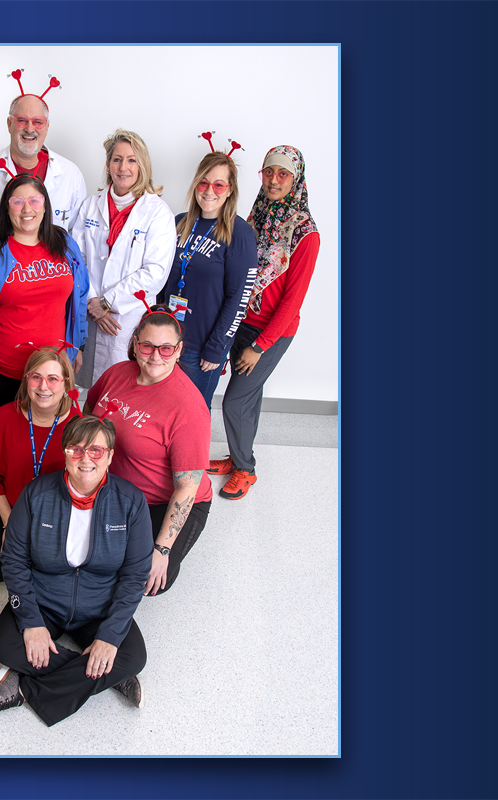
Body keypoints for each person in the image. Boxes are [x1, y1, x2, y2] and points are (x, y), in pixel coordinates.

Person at [0, 416, 151, 726]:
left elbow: (135, 575)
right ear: (65, 452)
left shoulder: (131, 501)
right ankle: (106, 675)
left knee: (132, 657)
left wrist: (108, 637)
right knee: (4, 646)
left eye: (97, 451)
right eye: (77, 449)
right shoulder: (36, 494)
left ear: (110, 455)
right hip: (44, 601)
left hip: (99, 606)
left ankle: (20, 686)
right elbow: (14, 560)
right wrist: (31, 622)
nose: (86, 459)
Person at [212, 146, 321, 501]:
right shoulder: (258, 213)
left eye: (283, 174)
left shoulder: (306, 233)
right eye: (268, 172)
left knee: (234, 402)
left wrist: (260, 347)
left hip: (273, 331)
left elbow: (293, 300)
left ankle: (246, 469)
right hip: (244, 319)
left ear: (297, 179)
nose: (274, 180)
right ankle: (238, 456)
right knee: (249, 396)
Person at [85, 306, 212, 596]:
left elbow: (186, 490)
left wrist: (161, 550)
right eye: (147, 346)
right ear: (135, 344)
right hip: (115, 489)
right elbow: (90, 413)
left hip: (164, 502)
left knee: (147, 581)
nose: (156, 356)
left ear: (179, 351)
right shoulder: (117, 373)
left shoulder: (189, 409)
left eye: (166, 349)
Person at [0, 175, 89, 426]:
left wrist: (76, 345)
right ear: (6, 206)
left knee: (49, 440)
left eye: (35, 200)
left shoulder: (64, 244)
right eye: (18, 201)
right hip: (3, 372)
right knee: (3, 442)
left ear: (45, 206)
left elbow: (79, 296)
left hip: (54, 371)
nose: (27, 209)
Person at [68, 129, 177, 388]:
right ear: (108, 165)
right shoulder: (90, 205)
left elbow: (155, 272)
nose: (123, 167)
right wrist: (93, 303)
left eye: (131, 160)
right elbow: (76, 259)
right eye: (117, 159)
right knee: (89, 388)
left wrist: (107, 302)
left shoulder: (158, 213)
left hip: (127, 318)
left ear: (142, 165)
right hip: (90, 314)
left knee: (124, 386)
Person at [156, 150, 258, 407]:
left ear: (230, 189)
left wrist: (217, 347)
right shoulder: (178, 223)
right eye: (203, 182)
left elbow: (239, 297)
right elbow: (159, 279)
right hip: (166, 339)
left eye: (218, 184)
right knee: (162, 407)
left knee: (193, 412)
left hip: (201, 346)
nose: (209, 190)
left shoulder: (240, 233)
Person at [0, 348, 81, 583]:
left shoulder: (78, 425)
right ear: (26, 381)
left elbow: (83, 485)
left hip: (56, 512)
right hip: (9, 504)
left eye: (53, 379)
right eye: (36, 377)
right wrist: (10, 523)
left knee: (47, 571)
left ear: (66, 384)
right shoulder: (3, 417)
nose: (43, 386)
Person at [0, 81, 86, 242]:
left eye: (37, 122)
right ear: (9, 124)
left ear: (47, 127)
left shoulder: (71, 176)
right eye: (22, 120)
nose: (30, 129)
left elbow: (75, 239)